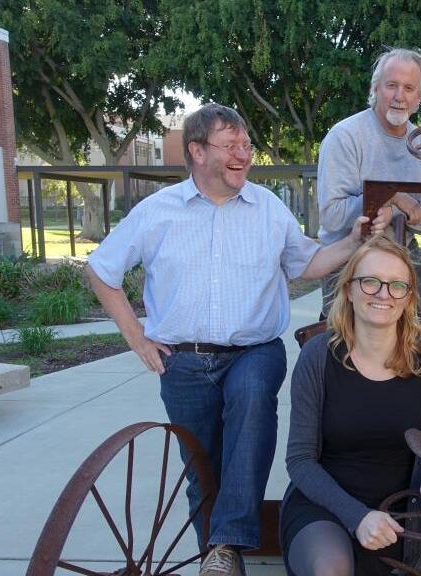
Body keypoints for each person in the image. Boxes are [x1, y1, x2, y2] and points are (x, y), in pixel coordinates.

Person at [87, 103, 375, 576]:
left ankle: (226, 543)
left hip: (254, 353)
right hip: (181, 361)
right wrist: (137, 338)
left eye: (246, 145)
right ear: (197, 151)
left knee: (251, 405)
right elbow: (102, 271)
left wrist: (355, 241)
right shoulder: (157, 212)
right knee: (202, 464)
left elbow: (307, 263)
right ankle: (219, 559)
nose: (244, 153)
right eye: (230, 145)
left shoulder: (267, 208)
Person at [283, 236, 421, 576]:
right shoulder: (317, 357)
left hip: (400, 511)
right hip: (326, 506)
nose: (382, 294)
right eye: (370, 282)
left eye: (396, 286)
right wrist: (356, 516)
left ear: (409, 298)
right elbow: (299, 460)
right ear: (349, 289)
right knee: (331, 569)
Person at [318, 47, 421, 346]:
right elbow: (332, 215)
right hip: (348, 252)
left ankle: (414, 390)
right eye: (391, 85)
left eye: (409, 88)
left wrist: (399, 208)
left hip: (402, 248)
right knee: (353, 339)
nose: (399, 96)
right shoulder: (345, 137)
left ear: (420, 96)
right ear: (376, 88)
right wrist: (388, 198)